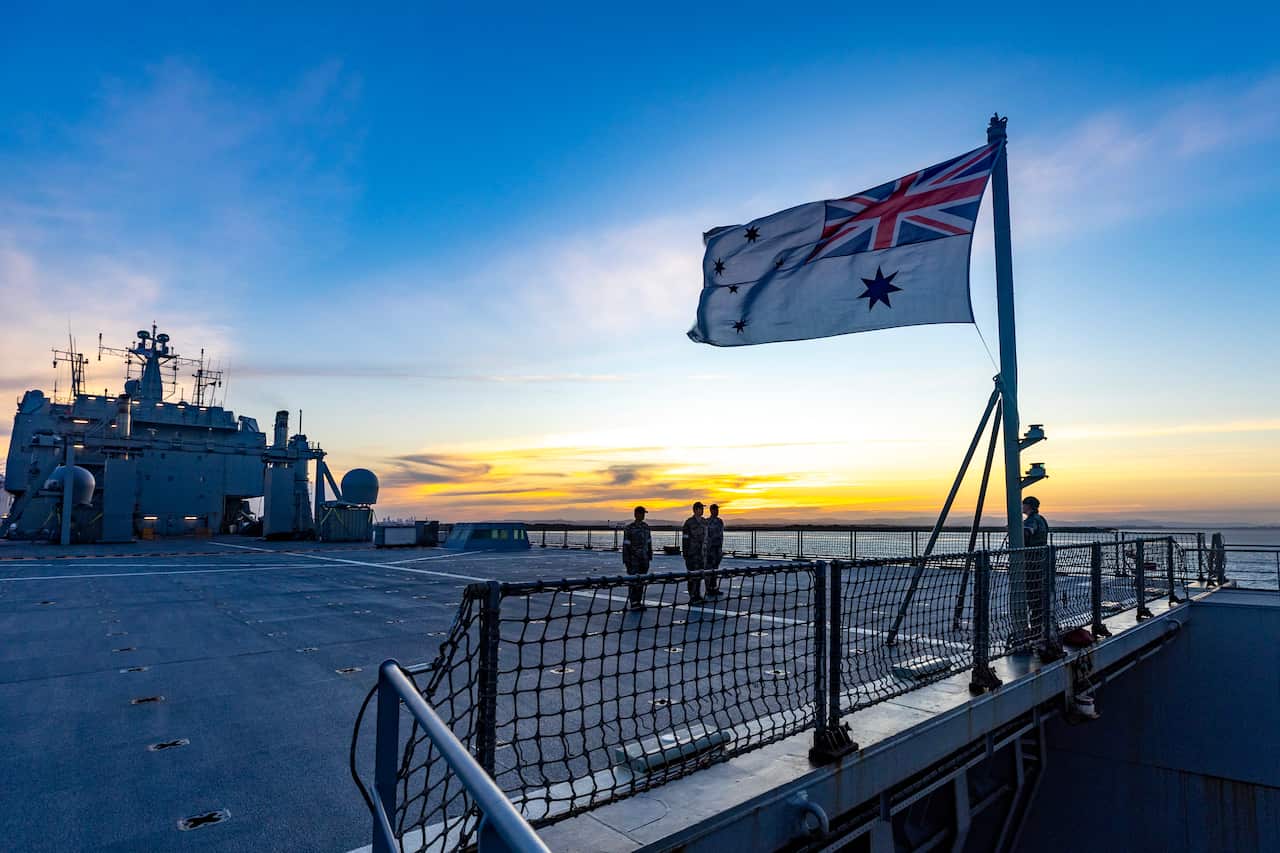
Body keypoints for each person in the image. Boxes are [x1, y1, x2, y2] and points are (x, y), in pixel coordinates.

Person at [621, 505, 652, 610]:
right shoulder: (629, 528)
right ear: (636, 514)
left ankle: (638, 601)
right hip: (633, 560)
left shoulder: (646, 527)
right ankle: (634, 602)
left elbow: (649, 542)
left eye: (644, 513)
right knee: (633, 581)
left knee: (641, 581)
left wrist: (649, 556)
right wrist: (626, 560)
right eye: (641, 513)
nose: (643, 515)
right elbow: (626, 545)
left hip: (644, 559)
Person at [681, 501, 708, 603]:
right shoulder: (689, 523)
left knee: (700, 575)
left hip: (702, 554)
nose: (702, 510)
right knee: (692, 575)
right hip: (692, 554)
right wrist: (685, 553)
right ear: (696, 510)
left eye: (702, 508)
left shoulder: (705, 522)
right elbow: (685, 539)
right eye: (701, 508)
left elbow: (707, 538)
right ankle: (692, 596)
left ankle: (697, 595)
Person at [704, 504, 724, 597]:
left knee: (715, 569)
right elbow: (707, 536)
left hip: (717, 549)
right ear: (711, 510)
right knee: (708, 570)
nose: (717, 511)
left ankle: (714, 588)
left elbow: (720, 535)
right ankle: (708, 589)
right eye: (715, 509)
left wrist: (720, 549)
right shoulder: (707, 522)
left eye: (717, 510)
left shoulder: (720, 521)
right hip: (710, 549)